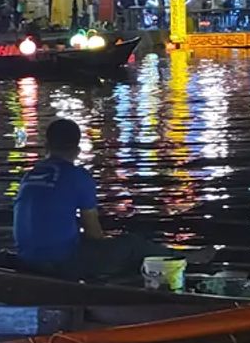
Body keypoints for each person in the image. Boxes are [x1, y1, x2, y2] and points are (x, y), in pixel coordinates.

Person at [13, 119, 162, 280]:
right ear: (77, 150)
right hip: (61, 262)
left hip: (26, 257)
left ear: (46, 147)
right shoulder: (78, 176)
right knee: (134, 246)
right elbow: (93, 233)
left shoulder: (29, 176)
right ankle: (180, 268)